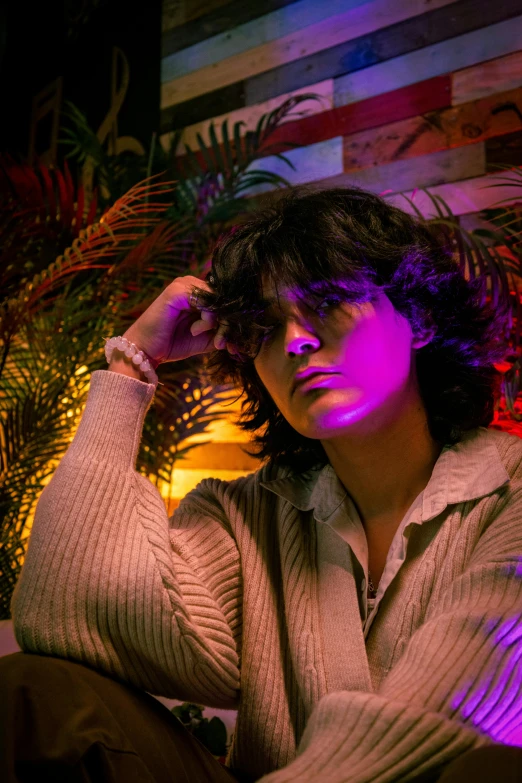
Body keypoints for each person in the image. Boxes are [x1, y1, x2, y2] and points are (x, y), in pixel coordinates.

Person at [2, 186, 522, 782]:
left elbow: (437, 723)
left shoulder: (514, 492)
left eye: (327, 301)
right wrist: (130, 362)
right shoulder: (242, 512)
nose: (297, 340)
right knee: (33, 693)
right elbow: (61, 609)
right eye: (267, 328)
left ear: (419, 319)